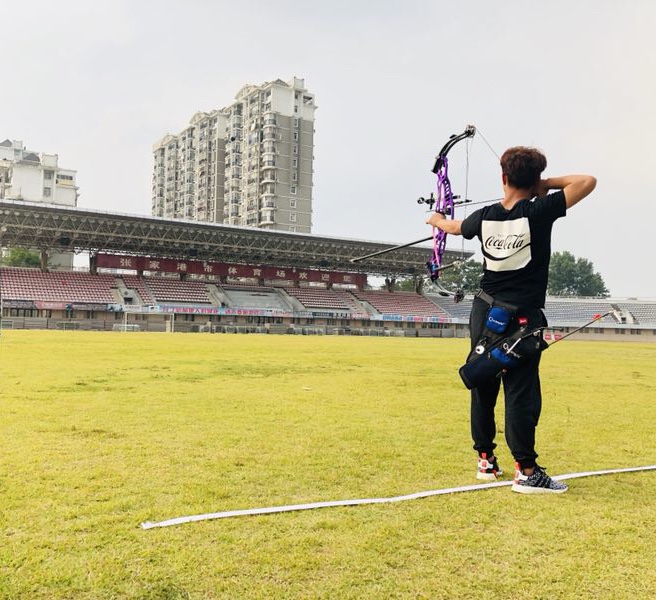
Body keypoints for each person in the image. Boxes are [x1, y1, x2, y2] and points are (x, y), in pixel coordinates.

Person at [426, 146, 596, 494]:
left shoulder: (485, 216)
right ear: (532, 182)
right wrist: (542, 184)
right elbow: (586, 181)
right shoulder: (540, 210)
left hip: (484, 312)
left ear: (503, 178)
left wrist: (435, 220)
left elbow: (454, 226)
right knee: (521, 391)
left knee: (484, 379)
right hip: (520, 318)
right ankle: (527, 472)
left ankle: (486, 460)